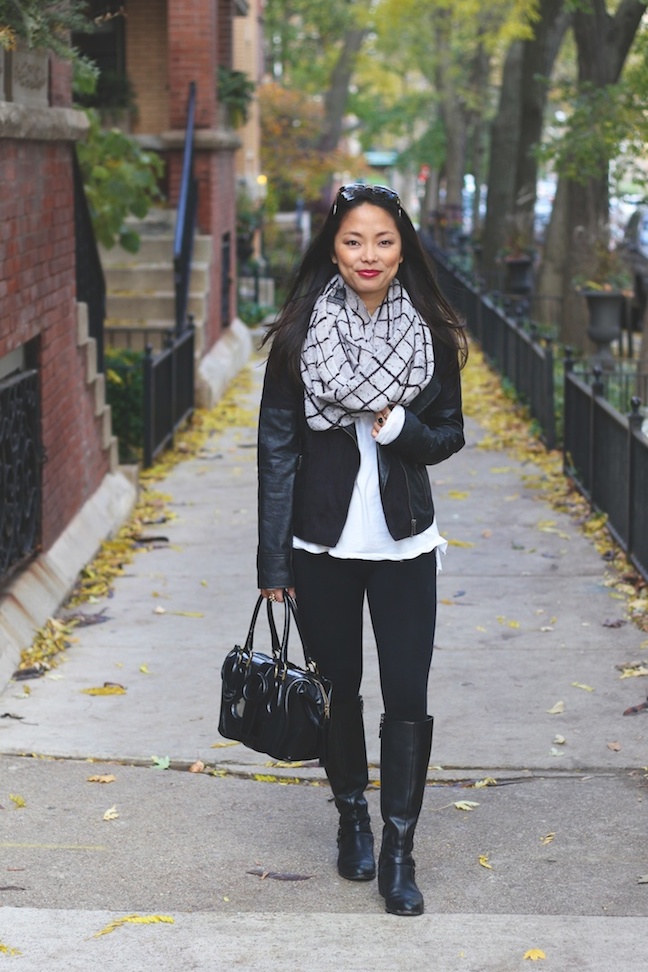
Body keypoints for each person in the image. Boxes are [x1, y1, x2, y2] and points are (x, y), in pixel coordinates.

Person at [257, 183, 467, 916]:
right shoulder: (297, 335)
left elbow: (447, 436)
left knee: (408, 696)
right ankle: (352, 816)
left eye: (382, 240)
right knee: (337, 692)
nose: (368, 255)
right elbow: (277, 452)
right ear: (333, 249)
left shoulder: (431, 335)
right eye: (353, 241)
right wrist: (272, 564)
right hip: (320, 544)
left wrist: (399, 429)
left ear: (402, 245)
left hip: (405, 544)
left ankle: (399, 849)